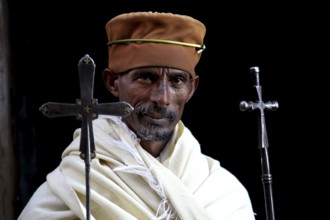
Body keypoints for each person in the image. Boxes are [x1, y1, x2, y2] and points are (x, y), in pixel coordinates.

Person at [18, 11, 256, 220]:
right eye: (146, 78)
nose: (162, 98)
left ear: (191, 88)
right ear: (112, 82)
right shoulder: (76, 184)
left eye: (176, 80)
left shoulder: (223, 191)